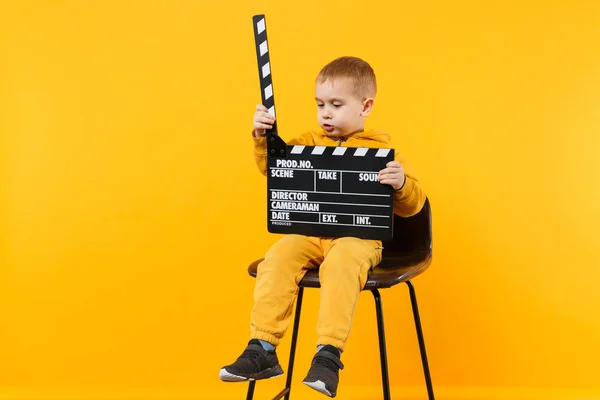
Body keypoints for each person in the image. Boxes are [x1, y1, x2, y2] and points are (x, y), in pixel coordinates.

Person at [219, 56, 426, 398]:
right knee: (279, 255)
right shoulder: (307, 142)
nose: (326, 113)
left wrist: (401, 183)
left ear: (365, 106)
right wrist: (262, 137)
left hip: (358, 239)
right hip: (310, 233)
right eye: (320, 105)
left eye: (336, 104)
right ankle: (262, 349)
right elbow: (275, 170)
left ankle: (328, 356)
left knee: (342, 263)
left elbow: (414, 205)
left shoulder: (385, 151)